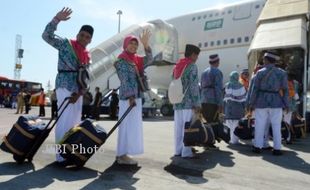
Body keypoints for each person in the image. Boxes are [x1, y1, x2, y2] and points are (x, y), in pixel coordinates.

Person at [42, 7, 94, 164]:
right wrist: (56, 20)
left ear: (90, 40)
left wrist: (80, 93)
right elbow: (46, 36)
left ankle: (70, 153)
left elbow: (85, 77)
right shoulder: (66, 44)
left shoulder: (87, 55)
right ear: (78, 34)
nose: (84, 38)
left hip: (78, 91)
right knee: (64, 120)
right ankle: (60, 156)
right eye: (82, 35)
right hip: (65, 85)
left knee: (74, 123)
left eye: (87, 37)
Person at [114, 30, 153, 165]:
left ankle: (124, 154)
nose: (133, 46)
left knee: (132, 126)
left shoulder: (136, 59)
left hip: (136, 97)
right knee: (125, 125)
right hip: (128, 97)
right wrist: (131, 97)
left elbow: (150, 59)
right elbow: (125, 79)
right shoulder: (122, 59)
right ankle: (121, 155)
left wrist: (146, 45)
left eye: (135, 44)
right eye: (131, 43)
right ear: (125, 44)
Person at [248, 52, 289, 156]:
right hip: (276, 101)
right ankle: (277, 148)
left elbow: (255, 89)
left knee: (260, 124)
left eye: (264, 59)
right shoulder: (282, 73)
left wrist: (251, 103)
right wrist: (286, 104)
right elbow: (285, 90)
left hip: (261, 101)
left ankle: (257, 147)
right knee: (276, 125)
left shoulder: (260, 73)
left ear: (266, 60)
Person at [172, 44, 201, 158]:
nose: (197, 58)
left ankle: (177, 150)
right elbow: (194, 86)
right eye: (197, 55)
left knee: (178, 128)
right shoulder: (192, 66)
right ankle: (186, 152)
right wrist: (197, 103)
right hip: (188, 102)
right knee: (188, 127)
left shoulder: (177, 66)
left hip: (177, 101)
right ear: (193, 54)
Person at [224, 71, 246, 144]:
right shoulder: (241, 86)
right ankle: (234, 140)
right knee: (236, 124)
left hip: (228, 108)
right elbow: (243, 99)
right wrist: (244, 108)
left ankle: (229, 138)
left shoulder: (227, 85)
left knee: (229, 124)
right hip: (238, 108)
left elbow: (224, 98)